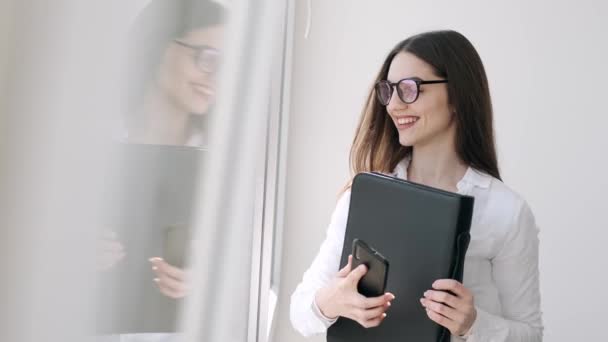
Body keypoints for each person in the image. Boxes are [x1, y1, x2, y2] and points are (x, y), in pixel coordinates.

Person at [290, 30, 543, 341]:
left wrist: (473, 324)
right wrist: (329, 302)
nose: (394, 105)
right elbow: (301, 311)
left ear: (458, 96)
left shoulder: (506, 211)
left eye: (410, 89)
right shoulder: (364, 196)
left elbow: (530, 334)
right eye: (389, 90)